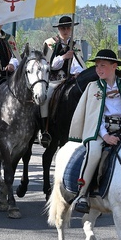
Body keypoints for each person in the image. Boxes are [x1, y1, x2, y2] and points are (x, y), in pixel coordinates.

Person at [69, 49, 121, 214]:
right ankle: (82, 194)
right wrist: (105, 136)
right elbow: (93, 116)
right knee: (95, 152)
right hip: (99, 131)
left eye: (102, 65)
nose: (98, 69)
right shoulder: (93, 87)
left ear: (114, 66)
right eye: (97, 66)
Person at [40, 15, 84, 147]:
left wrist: (78, 72)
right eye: (63, 28)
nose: (65, 31)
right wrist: (64, 57)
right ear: (58, 29)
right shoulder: (50, 43)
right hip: (55, 80)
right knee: (45, 98)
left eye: (68, 28)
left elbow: (79, 63)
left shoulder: (76, 45)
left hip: (70, 81)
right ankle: (45, 129)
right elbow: (48, 64)